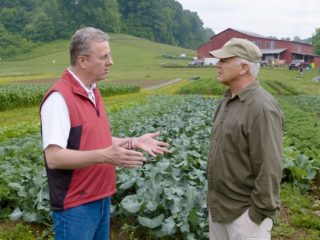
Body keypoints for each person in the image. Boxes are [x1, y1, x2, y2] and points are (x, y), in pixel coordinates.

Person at [39, 27, 169, 240]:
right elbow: (54, 157)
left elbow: (93, 140)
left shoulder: (92, 90)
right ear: (83, 60)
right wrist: (104, 155)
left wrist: (132, 142)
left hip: (101, 198)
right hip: (75, 206)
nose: (111, 61)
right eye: (104, 57)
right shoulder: (58, 99)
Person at [206, 38, 283, 240]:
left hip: (244, 216)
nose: (217, 65)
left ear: (243, 68)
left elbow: (269, 167)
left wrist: (255, 216)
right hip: (219, 209)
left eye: (224, 60)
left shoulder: (261, 107)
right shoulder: (228, 100)